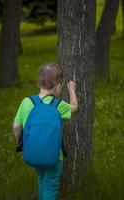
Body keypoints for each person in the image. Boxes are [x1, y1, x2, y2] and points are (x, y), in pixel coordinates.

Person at [13, 63, 78, 200]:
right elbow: (74, 107)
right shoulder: (58, 105)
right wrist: (72, 90)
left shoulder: (26, 102)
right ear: (59, 85)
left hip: (33, 153)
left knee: (41, 179)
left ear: (39, 83)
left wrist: (20, 143)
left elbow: (16, 127)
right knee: (50, 187)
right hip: (54, 156)